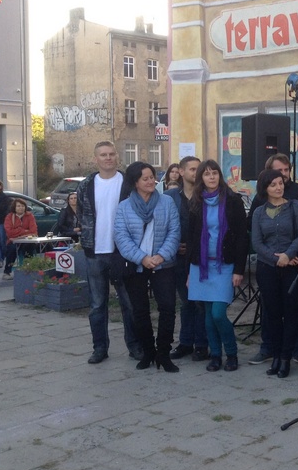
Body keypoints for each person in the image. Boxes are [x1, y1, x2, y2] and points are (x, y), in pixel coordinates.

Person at [247, 153, 298, 367]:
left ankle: (287, 356)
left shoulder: (296, 205)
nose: (279, 186)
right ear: (265, 188)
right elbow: (257, 242)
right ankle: (275, 355)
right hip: (268, 268)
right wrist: (276, 258)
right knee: (272, 312)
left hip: (292, 265)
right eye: (273, 184)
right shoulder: (258, 211)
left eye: (281, 182)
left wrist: (288, 255)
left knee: (292, 311)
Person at [77, 141, 141, 364]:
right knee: (97, 304)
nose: (108, 158)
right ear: (96, 158)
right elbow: (81, 215)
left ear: (117, 156)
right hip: (95, 252)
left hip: (122, 252)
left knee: (129, 302)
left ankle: (134, 346)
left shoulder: (128, 183)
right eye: (103, 155)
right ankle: (100, 348)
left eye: (111, 154)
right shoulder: (86, 185)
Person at [114, 162, 181, 372]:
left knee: (168, 308)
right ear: (135, 182)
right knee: (140, 311)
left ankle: (163, 353)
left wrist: (161, 256)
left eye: (152, 177)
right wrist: (142, 258)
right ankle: (148, 352)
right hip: (137, 266)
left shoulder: (167, 202)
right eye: (146, 178)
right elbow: (122, 238)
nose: (151, 181)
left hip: (164, 264)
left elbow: (174, 231)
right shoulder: (124, 207)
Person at [187, 160, 248, 372]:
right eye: (206, 174)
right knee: (207, 316)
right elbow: (192, 238)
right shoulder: (195, 202)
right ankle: (215, 355)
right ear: (201, 178)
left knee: (218, 314)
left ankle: (231, 353)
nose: (211, 177)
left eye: (214, 173)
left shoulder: (232, 201)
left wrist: (239, 269)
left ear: (219, 176)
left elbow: (242, 237)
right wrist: (189, 272)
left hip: (225, 265)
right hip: (201, 266)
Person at [166, 157, 209, 362]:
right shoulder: (170, 197)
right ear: (181, 172)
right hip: (178, 257)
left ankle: (201, 344)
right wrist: (174, 246)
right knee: (185, 301)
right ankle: (185, 342)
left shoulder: (207, 195)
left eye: (198, 169)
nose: (196, 172)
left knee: (200, 301)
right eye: (192, 169)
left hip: (202, 257)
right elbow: (162, 225)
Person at [2, 198, 38, 279]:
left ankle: (28, 269)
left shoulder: (30, 216)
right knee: (12, 249)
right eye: (18, 206)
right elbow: (9, 232)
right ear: (14, 207)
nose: (21, 208)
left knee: (30, 246)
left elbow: (33, 231)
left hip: (27, 240)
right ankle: (7, 272)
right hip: (13, 241)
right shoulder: (9, 217)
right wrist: (23, 230)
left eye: (22, 206)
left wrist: (18, 233)